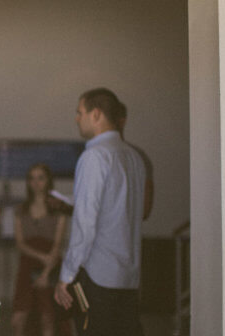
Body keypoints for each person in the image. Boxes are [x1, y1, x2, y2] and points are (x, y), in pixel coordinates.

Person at [54, 88, 146, 335]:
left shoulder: (94, 157)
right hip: (129, 277)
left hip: (100, 277)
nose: (76, 118)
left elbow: (85, 223)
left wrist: (66, 276)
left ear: (95, 114)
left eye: (79, 112)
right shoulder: (135, 157)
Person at [11, 164, 71, 336]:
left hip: (51, 267)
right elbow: (20, 243)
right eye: (32, 178)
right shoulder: (21, 209)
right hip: (27, 265)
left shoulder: (58, 209)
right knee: (18, 318)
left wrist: (45, 273)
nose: (36, 182)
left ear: (48, 181)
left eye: (40, 178)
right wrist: (40, 256)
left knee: (48, 317)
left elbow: (57, 245)